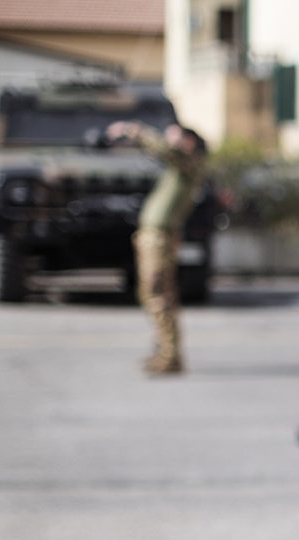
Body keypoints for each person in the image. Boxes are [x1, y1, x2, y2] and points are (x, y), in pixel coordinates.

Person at [105, 120, 208, 375]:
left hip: (160, 238)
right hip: (154, 237)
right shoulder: (179, 166)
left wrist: (133, 130)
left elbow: (162, 148)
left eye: (173, 137)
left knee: (158, 294)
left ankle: (169, 357)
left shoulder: (187, 163)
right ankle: (165, 351)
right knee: (153, 295)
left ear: (188, 143)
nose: (167, 139)